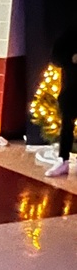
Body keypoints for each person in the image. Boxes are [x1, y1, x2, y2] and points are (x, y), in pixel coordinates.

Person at [46, 23, 77, 177]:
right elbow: (56, 57)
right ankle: (63, 160)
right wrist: (71, 58)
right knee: (66, 125)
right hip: (71, 89)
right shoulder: (72, 32)